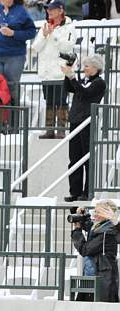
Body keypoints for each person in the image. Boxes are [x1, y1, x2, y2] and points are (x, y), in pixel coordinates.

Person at [62, 55, 106, 203]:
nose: (84, 68)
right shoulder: (83, 81)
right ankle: (75, 191)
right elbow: (69, 88)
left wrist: (73, 77)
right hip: (75, 121)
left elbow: (85, 93)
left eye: (87, 66)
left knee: (87, 158)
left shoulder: (99, 83)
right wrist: (68, 75)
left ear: (95, 68)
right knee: (74, 158)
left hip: (87, 122)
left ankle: (87, 192)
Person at [32, 0, 77, 139]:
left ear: (61, 10)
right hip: (46, 72)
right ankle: (49, 130)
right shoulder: (45, 26)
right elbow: (35, 48)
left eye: (52, 9)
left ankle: (61, 130)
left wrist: (53, 34)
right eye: (48, 9)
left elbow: (67, 46)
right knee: (49, 101)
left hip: (60, 71)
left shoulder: (70, 26)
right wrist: (45, 35)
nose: (49, 11)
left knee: (61, 101)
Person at [71, 200, 119, 302]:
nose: (95, 214)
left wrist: (76, 231)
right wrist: (84, 215)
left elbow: (85, 249)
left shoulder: (107, 232)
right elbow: (91, 228)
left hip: (103, 279)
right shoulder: (102, 227)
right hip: (95, 274)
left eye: (98, 212)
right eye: (95, 211)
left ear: (106, 214)